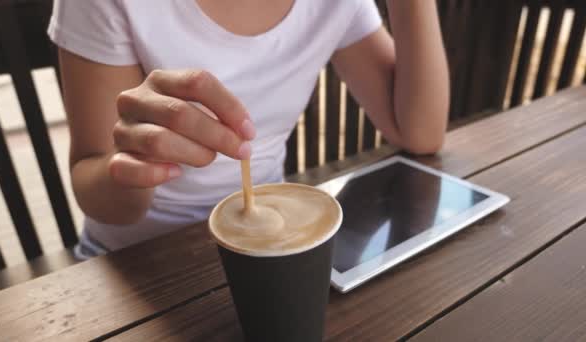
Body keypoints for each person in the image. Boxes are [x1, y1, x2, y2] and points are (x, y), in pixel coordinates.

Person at [48, 0, 449, 259]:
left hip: (269, 251)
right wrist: (138, 161)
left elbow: (420, 134)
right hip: (137, 261)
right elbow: (97, 190)